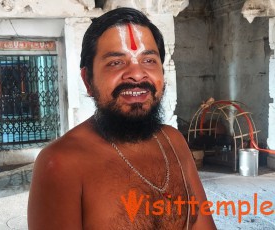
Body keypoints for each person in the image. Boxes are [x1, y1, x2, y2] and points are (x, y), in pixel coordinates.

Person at [28, 7, 217, 230]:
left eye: (148, 60)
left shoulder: (174, 142)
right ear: (88, 80)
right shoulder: (60, 163)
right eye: (116, 62)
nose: (137, 74)